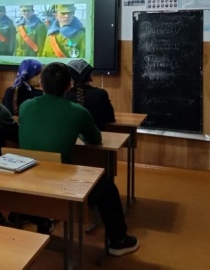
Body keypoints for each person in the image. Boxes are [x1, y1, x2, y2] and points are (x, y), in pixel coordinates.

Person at [19, 63, 139, 256]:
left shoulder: (25, 106)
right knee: (108, 189)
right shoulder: (77, 111)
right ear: (69, 86)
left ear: (40, 83)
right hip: (59, 182)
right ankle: (119, 241)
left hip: (27, 175)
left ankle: (44, 221)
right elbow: (95, 139)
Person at [65, 59, 115, 131]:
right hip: (96, 137)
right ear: (90, 76)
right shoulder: (101, 94)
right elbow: (110, 118)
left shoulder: (64, 95)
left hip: (71, 137)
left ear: (71, 78)